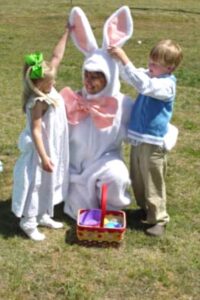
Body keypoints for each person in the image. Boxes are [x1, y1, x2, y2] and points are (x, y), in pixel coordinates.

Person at [60, 6, 134, 219]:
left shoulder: (121, 104)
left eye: (96, 77)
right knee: (78, 209)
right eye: (87, 75)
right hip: (77, 168)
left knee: (116, 177)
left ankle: (111, 207)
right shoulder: (74, 100)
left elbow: (139, 125)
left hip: (106, 160)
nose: (89, 82)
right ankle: (85, 204)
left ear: (109, 77)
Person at [108, 39, 183, 236]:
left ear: (170, 67)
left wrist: (124, 57)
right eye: (150, 61)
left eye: (155, 64)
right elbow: (129, 76)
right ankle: (145, 208)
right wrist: (115, 59)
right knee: (137, 177)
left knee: (152, 180)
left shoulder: (166, 85)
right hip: (138, 139)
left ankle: (159, 217)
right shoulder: (151, 75)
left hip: (154, 142)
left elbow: (143, 85)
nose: (150, 65)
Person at [12, 27, 70, 241]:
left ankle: (44, 214)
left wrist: (67, 32)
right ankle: (28, 221)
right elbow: (36, 131)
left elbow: (56, 56)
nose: (54, 84)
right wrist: (44, 156)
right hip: (39, 150)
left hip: (51, 145)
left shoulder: (46, 85)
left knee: (49, 181)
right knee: (35, 183)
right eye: (51, 82)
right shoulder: (39, 101)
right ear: (38, 83)